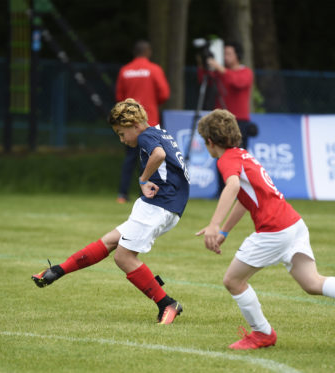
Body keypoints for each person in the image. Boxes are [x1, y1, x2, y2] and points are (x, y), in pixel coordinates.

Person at [195, 109, 335, 350]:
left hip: (274, 230)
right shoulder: (243, 155)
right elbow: (243, 197)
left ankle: (262, 334)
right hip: (293, 224)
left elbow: (233, 185)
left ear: (209, 141)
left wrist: (214, 224)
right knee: (312, 283)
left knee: (233, 281)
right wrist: (225, 231)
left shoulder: (226, 159)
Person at [32, 99, 189, 325]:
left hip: (158, 205)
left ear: (134, 124)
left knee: (124, 257)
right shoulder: (159, 132)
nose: (122, 140)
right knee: (110, 241)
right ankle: (57, 271)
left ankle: (166, 303)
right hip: (170, 207)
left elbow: (159, 156)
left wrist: (143, 179)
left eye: (121, 133)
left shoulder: (146, 136)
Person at [115, 40, 170, 204]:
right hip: (149, 121)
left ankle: (122, 194)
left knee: (130, 159)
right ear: (148, 53)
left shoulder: (125, 71)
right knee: (150, 158)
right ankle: (148, 193)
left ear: (134, 53)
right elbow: (164, 94)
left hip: (129, 124)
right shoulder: (154, 70)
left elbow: (119, 97)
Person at [197, 41, 255, 149]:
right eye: (224, 54)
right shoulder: (220, 72)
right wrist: (203, 64)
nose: (225, 57)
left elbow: (238, 82)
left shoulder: (246, 72)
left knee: (238, 151)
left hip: (239, 120)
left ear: (238, 55)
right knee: (220, 151)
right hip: (220, 119)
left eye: (229, 54)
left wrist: (220, 68)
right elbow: (203, 79)